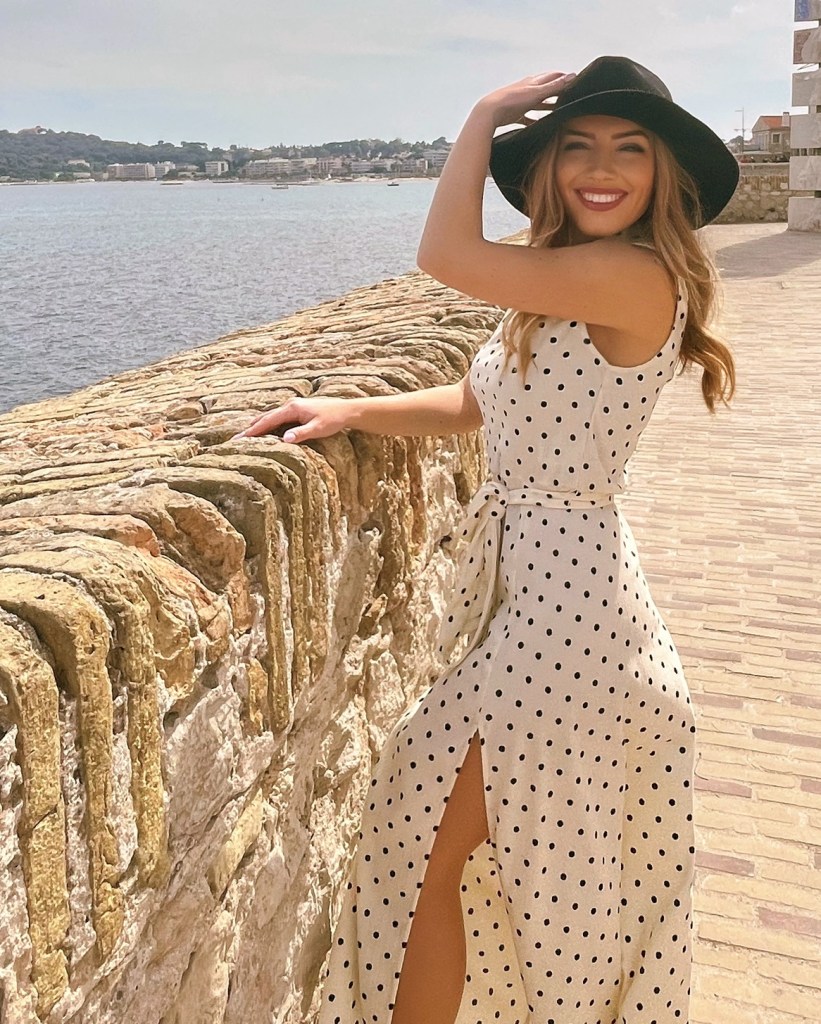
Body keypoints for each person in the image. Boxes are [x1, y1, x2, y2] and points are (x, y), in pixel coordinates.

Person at [234, 54, 739, 1024]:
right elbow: (478, 401)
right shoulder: (564, 282)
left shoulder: (631, 273)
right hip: (545, 611)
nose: (600, 167)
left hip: (566, 626)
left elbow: (445, 254)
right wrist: (351, 411)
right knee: (453, 857)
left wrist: (482, 113)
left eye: (628, 149)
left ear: (662, 176)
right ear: (548, 170)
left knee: (438, 850)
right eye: (575, 146)